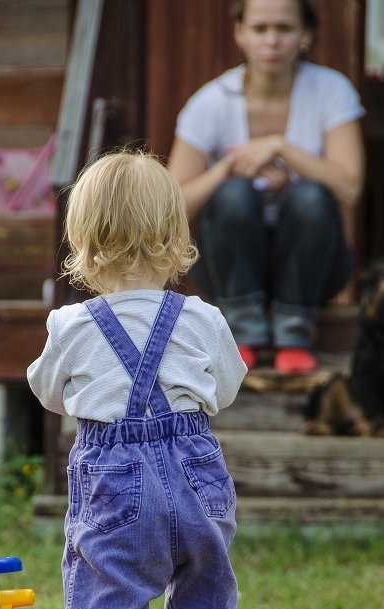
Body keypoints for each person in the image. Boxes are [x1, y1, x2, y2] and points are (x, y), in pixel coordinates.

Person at [27, 151, 250, 609]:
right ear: (176, 236)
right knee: (208, 597)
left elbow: (47, 393)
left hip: (113, 476)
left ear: (83, 240)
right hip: (196, 470)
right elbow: (227, 388)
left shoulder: (71, 325)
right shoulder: (203, 318)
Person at [168, 0, 365, 373]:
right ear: (239, 33)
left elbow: (350, 187)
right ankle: (243, 333)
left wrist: (281, 147)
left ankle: (295, 330)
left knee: (310, 195)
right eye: (260, 29)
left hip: (314, 267)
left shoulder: (331, 90)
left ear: (305, 35)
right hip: (225, 268)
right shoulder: (210, 103)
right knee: (233, 195)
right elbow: (173, 205)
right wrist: (229, 167)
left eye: (284, 29)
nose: (271, 41)